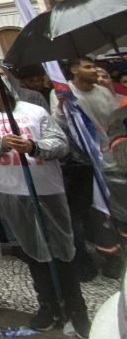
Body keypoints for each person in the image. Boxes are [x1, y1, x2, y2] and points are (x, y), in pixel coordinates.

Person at [0, 75, 90, 336]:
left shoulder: (34, 111)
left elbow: (60, 143)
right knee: (33, 249)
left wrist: (34, 146)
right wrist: (1, 142)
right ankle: (47, 304)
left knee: (62, 249)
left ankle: (76, 308)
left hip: (47, 187)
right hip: (11, 189)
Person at [52, 57, 125, 280]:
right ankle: (110, 256)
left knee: (121, 210)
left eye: (94, 66)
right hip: (86, 163)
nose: (94, 71)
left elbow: (116, 122)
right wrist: (63, 109)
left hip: (115, 159)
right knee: (98, 212)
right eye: (88, 67)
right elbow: (59, 126)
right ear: (74, 69)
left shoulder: (104, 92)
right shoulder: (63, 93)